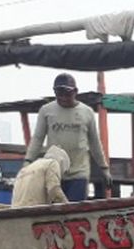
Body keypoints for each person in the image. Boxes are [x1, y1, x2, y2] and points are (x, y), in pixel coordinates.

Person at [24, 73, 111, 201]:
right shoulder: (46, 111)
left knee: (74, 212)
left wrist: (104, 168)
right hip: (54, 172)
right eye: (59, 94)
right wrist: (28, 162)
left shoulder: (86, 112)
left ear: (75, 92)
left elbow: (94, 143)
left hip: (79, 173)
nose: (63, 98)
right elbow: (38, 138)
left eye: (67, 94)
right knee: (54, 211)